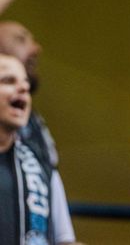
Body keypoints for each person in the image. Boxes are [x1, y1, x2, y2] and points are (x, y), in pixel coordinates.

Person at [0, 54, 75, 244]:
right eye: (8, 81)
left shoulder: (40, 162)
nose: (24, 88)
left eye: (25, 83)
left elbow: (64, 239)